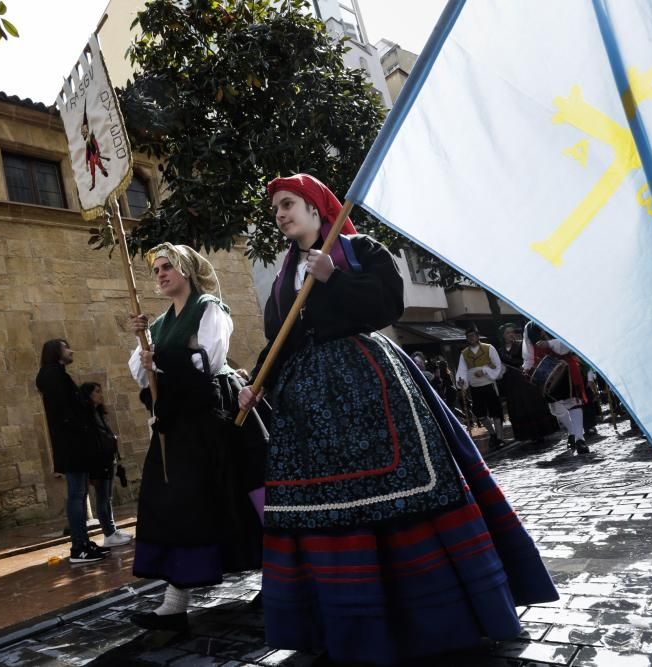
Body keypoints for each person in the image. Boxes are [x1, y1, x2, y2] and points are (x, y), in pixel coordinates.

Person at [238, 174, 557, 665]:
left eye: (288, 204)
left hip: (370, 386)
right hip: (306, 409)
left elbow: (388, 304)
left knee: (399, 491)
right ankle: (342, 618)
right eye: (275, 208)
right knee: (323, 505)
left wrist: (334, 278)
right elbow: (282, 340)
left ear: (316, 206)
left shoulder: (358, 248)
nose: (280, 214)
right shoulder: (284, 276)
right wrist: (255, 382)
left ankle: (431, 613)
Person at [128, 243, 267, 632]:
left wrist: (162, 360)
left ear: (186, 270)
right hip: (176, 421)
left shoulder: (210, 307)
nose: (161, 274)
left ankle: (276, 578)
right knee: (178, 503)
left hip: (216, 416)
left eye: (168, 267)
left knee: (237, 494)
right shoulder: (155, 325)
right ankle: (174, 602)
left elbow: (208, 358)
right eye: (156, 270)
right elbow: (140, 373)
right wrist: (149, 353)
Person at [36, 339, 111, 565]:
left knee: (79, 494)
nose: (72, 350)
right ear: (56, 353)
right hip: (72, 447)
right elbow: (66, 414)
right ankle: (79, 546)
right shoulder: (54, 377)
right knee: (77, 496)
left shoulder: (57, 375)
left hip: (72, 446)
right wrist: (82, 432)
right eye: (66, 347)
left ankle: (83, 542)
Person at [522, 321, 590, 454]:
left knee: (573, 402)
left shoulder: (556, 317)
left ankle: (580, 439)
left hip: (566, 364)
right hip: (544, 369)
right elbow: (529, 350)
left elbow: (569, 343)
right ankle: (572, 431)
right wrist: (528, 367)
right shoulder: (528, 326)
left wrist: (549, 343)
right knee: (556, 408)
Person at [79, 382, 133, 548]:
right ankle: (109, 533)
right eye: (97, 392)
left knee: (107, 498)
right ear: (88, 395)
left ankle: (112, 529)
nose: (100, 394)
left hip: (107, 459)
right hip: (98, 462)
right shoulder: (86, 416)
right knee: (102, 498)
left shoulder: (99, 413)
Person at [497, 323, 558, 444]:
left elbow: (526, 359)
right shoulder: (500, 350)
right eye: (507, 333)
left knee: (531, 404)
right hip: (512, 382)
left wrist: (509, 362)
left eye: (512, 332)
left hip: (525, 379)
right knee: (519, 407)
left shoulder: (521, 345)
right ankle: (527, 434)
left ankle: (541, 432)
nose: (511, 334)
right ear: (503, 336)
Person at [456, 326, 506, 449]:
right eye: (469, 336)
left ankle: (500, 437)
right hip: (475, 387)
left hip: (489, 384)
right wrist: (461, 381)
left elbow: (497, 365)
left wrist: (484, 371)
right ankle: (493, 434)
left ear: (477, 336)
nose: (471, 338)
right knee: (480, 413)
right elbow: (462, 370)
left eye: (473, 335)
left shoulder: (489, 348)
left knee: (495, 411)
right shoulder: (464, 353)